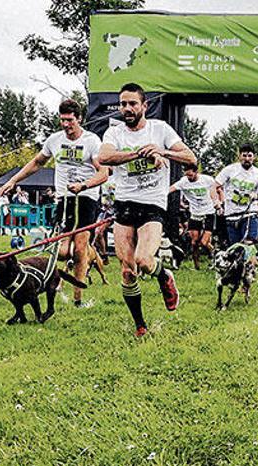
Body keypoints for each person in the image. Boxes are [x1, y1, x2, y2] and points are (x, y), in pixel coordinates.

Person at [98, 82, 196, 337]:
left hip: (152, 203)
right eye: (123, 104)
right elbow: (104, 157)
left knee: (143, 261)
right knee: (128, 270)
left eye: (132, 103)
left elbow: (191, 158)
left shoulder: (160, 129)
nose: (127, 108)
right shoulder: (116, 133)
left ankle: (164, 275)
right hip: (124, 203)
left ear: (144, 106)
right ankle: (140, 325)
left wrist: (161, 150)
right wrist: (137, 155)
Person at [0, 98, 108, 307]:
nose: (66, 125)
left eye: (70, 121)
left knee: (79, 249)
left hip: (85, 198)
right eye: (63, 120)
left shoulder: (92, 140)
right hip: (64, 199)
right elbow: (37, 162)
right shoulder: (54, 140)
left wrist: (84, 185)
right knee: (63, 251)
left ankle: (78, 297)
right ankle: (79, 264)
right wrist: (13, 180)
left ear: (79, 119)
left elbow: (104, 172)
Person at [215, 143, 258, 247]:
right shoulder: (229, 170)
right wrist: (216, 202)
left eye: (249, 156)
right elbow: (214, 186)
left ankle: (251, 263)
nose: (247, 159)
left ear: (254, 157)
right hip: (231, 215)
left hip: (249, 214)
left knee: (248, 244)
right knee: (235, 248)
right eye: (244, 155)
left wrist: (257, 196)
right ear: (239, 156)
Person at [169, 162, 218, 269]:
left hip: (208, 212)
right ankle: (197, 267)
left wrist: (216, 202)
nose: (189, 177)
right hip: (195, 214)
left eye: (191, 175)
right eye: (187, 175)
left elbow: (215, 190)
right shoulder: (183, 182)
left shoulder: (207, 180)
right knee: (194, 242)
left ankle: (216, 257)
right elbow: (170, 189)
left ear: (196, 172)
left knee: (204, 242)